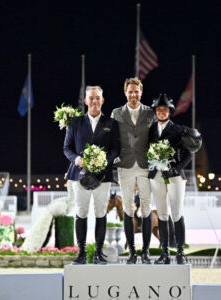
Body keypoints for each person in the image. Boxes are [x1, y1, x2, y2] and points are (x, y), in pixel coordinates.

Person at [64, 85, 120, 265]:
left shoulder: (111, 124)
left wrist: (104, 160)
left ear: (102, 100)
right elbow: (67, 148)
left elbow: (116, 149)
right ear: (86, 101)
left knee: (101, 212)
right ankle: (81, 253)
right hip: (79, 175)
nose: (94, 101)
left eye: (98, 98)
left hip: (103, 176)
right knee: (81, 212)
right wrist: (77, 159)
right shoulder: (75, 122)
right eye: (91, 98)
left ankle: (98, 253)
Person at [111, 77, 155, 264]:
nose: (133, 94)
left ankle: (145, 252)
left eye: (136, 91)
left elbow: (156, 137)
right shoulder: (116, 113)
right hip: (125, 165)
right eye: (130, 91)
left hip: (146, 165)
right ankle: (132, 252)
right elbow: (112, 138)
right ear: (125, 92)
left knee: (146, 207)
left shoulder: (150, 112)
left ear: (141, 92)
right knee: (128, 208)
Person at [148, 94, 193, 264]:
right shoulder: (150, 130)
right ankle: (165, 252)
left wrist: (176, 168)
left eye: (164, 109)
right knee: (162, 214)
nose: (161, 112)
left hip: (174, 176)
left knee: (177, 212)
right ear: (156, 111)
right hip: (156, 176)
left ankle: (180, 252)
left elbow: (188, 154)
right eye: (159, 109)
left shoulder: (178, 130)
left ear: (169, 111)